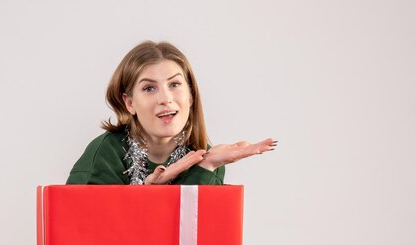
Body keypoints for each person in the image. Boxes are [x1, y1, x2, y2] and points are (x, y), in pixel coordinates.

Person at [67, 41, 277, 185]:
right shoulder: (105, 154)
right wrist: (149, 196)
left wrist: (206, 167)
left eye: (174, 84)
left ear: (191, 96)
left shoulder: (209, 159)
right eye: (149, 88)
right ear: (130, 103)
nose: (165, 99)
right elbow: (88, 237)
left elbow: (196, 239)